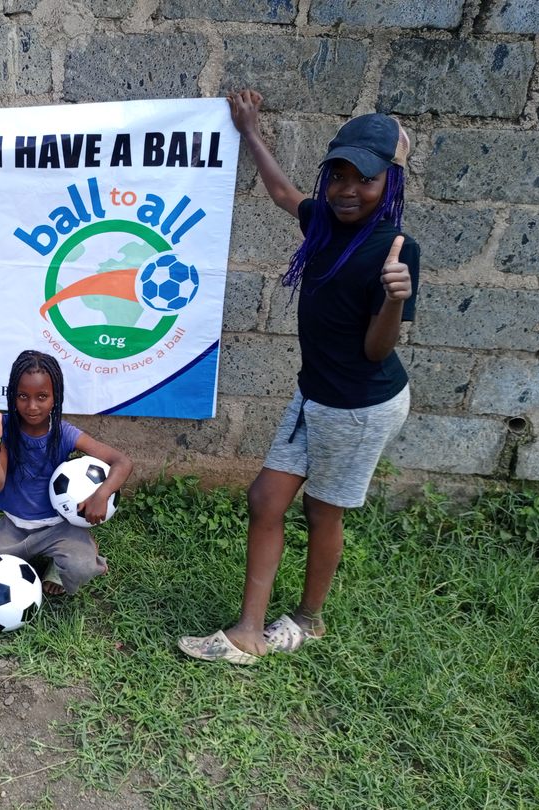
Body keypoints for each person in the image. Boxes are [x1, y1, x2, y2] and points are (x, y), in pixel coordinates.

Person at [178, 90, 419, 664]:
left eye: (365, 179)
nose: (347, 190)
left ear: (390, 183)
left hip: (360, 405)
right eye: (338, 175)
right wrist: (250, 131)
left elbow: (375, 350)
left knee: (321, 511)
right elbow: (285, 193)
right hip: (316, 395)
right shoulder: (326, 222)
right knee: (266, 498)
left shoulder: (393, 250)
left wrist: (393, 300)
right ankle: (248, 631)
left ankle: (309, 620)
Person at [0, 350, 133, 602]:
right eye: (23, 396)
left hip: (58, 528)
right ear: (12, 396)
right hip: (13, 528)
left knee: (81, 567)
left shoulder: (64, 433)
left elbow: (122, 462)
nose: (32, 406)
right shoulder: (5, 429)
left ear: (55, 397)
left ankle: (71, 554)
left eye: (42, 397)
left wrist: (101, 495)